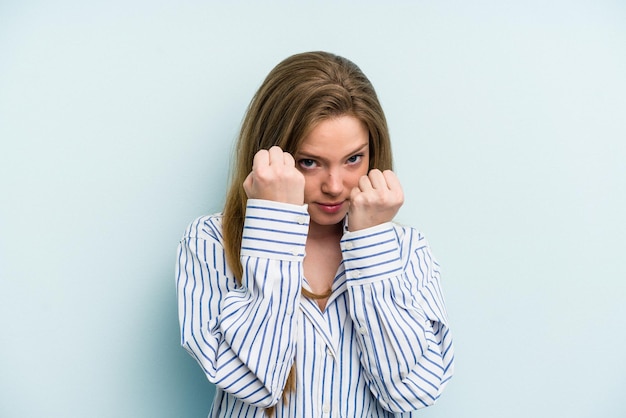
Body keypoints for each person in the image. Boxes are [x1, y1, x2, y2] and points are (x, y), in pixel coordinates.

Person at [176, 51, 454, 418]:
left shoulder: (406, 251)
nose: (335, 186)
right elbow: (253, 381)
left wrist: (371, 244)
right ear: (271, 157)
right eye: (310, 162)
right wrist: (274, 221)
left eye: (353, 159)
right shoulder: (209, 242)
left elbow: (411, 395)